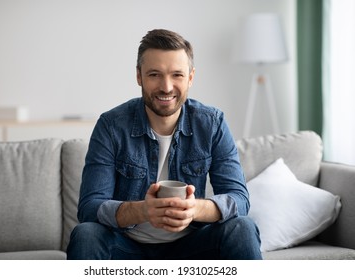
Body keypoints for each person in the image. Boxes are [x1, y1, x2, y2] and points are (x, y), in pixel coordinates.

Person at [67, 29, 262, 260]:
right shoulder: (111, 126)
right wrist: (142, 210)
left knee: (243, 227)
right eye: (154, 75)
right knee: (86, 234)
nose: (166, 87)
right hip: (126, 247)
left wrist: (195, 209)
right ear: (139, 76)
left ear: (190, 77)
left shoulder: (212, 123)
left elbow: (239, 198)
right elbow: (90, 208)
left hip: (192, 246)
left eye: (177, 75)